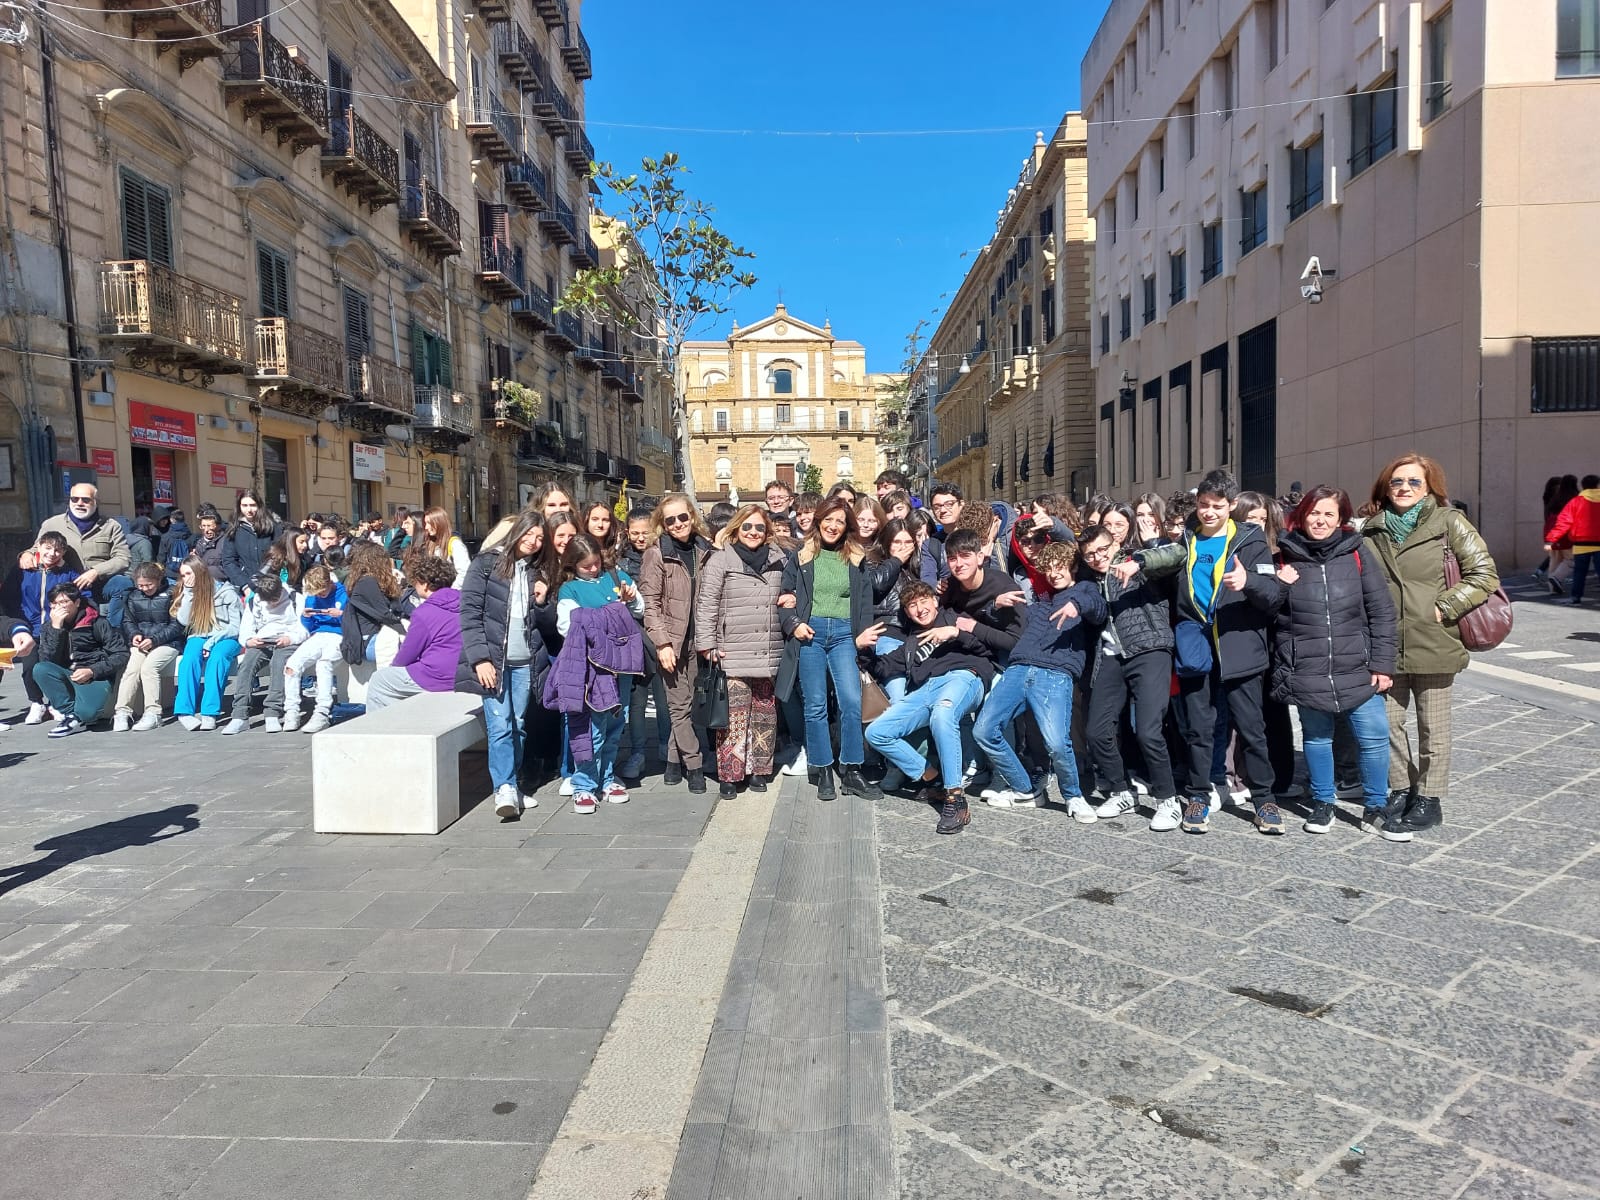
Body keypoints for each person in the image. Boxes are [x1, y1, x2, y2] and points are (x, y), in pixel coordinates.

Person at [1119, 469, 1287, 834]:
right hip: (1195, 643)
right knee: (1198, 728)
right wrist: (1140, 561)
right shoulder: (1186, 538)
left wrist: (1249, 582)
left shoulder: (1250, 540)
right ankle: (1198, 795)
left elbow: (1273, 597)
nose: (1209, 511)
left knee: (1252, 729)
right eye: (1204, 504)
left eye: (1217, 506)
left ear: (1231, 506)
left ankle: (1264, 800)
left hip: (1239, 645)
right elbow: (1165, 564)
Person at [1363, 453, 1500, 833]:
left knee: (1432, 728)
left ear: (1429, 487)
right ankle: (1402, 788)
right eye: (1397, 482)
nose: (1404, 488)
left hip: (1435, 639)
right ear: (1385, 487)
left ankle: (1429, 798)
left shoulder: (1449, 523)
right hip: (1385, 644)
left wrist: (1444, 607)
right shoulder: (1371, 529)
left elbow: (1484, 573)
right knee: (1386, 724)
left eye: (1413, 482)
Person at [1273, 486, 1404, 838]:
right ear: (1302, 515)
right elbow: (1271, 614)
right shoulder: (1284, 555)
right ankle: (1322, 802)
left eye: (1329, 514)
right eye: (1315, 512)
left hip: (1357, 668)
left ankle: (1376, 806)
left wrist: (1382, 665)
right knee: (1317, 738)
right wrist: (1278, 586)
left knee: (1374, 736)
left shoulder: (1357, 552)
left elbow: (1382, 612)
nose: (1321, 520)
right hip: (1308, 668)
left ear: (1341, 519)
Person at [973, 541, 1106, 819]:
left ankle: (1074, 796)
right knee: (984, 731)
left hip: (1055, 673)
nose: (1055, 573)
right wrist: (994, 607)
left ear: (1072, 568)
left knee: (1057, 743)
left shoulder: (1085, 590)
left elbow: (1097, 608)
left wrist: (1076, 605)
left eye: (1061, 567)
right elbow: (997, 624)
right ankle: (1026, 790)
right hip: (1019, 669)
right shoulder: (1037, 605)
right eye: (1049, 569)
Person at [776, 496, 892, 802]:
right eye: (828, 519)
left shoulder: (855, 557)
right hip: (810, 634)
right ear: (818, 521)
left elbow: (864, 600)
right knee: (815, 705)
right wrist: (794, 623)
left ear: (847, 526)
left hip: (844, 636)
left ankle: (852, 770)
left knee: (851, 702)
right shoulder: (801, 557)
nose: (833, 526)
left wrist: (863, 634)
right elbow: (784, 596)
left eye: (840, 521)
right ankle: (823, 768)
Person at [865, 581, 996, 833]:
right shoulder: (911, 643)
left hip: (962, 677)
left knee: (943, 714)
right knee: (877, 732)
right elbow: (882, 668)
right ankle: (932, 777)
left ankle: (955, 797)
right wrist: (863, 648)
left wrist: (956, 634)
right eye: (912, 605)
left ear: (935, 601)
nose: (920, 608)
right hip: (926, 689)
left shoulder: (955, 618)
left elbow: (987, 648)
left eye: (924, 601)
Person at [1077, 525, 1184, 831]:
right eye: (1090, 554)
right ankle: (1122, 791)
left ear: (1115, 543)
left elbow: (1178, 553)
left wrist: (1139, 563)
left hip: (1149, 649)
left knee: (1148, 731)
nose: (1098, 557)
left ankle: (1168, 800)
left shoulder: (1137, 561)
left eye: (1102, 549)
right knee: (1097, 730)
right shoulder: (1089, 580)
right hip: (1111, 657)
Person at [457, 511, 556, 819]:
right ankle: (504, 788)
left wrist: (542, 600)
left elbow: (545, 621)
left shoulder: (536, 571)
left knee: (519, 725)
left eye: (540, 538)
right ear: (517, 532)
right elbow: (470, 613)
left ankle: (512, 783)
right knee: (500, 725)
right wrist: (480, 659)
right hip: (495, 663)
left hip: (526, 661)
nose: (534, 542)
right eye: (530, 535)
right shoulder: (486, 563)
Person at [695, 503, 786, 798]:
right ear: (736, 528)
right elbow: (707, 604)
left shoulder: (780, 559)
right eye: (747, 526)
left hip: (768, 649)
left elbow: (791, 593)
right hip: (732, 650)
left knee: (764, 714)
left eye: (759, 527)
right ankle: (730, 775)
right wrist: (707, 644)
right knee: (732, 717)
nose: (753, 532)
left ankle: (759, 771)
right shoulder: (720, 560)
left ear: (767, 531)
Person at [553, 534, 644, 813]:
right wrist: (613, 612)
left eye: (595, 563)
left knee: (617, 724)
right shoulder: (569, 590)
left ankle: (606, 777)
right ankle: (584, 783)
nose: (593, 569)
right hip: (593, 669)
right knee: (592, 729)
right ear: (573, 565)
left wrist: (627, 601)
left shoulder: (616, 577)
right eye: (585, 566)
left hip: (621, 665)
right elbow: (567, 627)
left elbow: (639, 609)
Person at [639, 493, 714, 793]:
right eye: (670, 520)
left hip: (700, 640)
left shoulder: (705, 550)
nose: (678, 524)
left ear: (692, 517)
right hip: (671, 641)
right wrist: (661, 643)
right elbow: (650, 603)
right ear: (663, 524)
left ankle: (673, 761)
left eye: (682, 517)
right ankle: (694, 765)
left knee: (689, 704)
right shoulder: (656, 553)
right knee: (678, 705)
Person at [19, 483, 132, 626]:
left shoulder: (111, 526)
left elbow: (123, 558)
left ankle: (111, 630)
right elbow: (37, 548)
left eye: (85, 500)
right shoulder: (52, 523)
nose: (79, 503)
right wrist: (26, 554)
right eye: (74, 499)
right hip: (66, 582)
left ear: (96, 502)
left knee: (123, 584)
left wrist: (96, 571)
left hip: (100, 582)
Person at [365, 556, 462, 713]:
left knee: (380, 680)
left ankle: (380, 730)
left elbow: (408, 653)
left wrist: (393, 668)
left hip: (437, 677)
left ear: (424, 584)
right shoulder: (467, 602)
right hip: (464, 673)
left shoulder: (424, 612)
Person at [31, 583, 128, 737]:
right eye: (54, 603)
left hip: (93, 675)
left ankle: (79, 715)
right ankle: (71, 715)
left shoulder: (96, 622)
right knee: (40, 669)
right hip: (67, 672)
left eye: (64, 602)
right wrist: (57, 629)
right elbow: (46, 660)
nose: (59, 607)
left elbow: (121, 654)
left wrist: (92, 671)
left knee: (88, 714)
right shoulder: (49, 627)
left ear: (76, 602)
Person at [6, 532, 83, 724]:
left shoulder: (69, 573)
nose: (52, 553)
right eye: (48, 548)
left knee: (54, 665)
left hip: (57, 628)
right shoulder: (24, 569)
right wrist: (15, 621)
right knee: (29, 667)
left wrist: (66, 619)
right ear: (39, 547)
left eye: (57, 549)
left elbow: (81, 597)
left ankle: (55, 703)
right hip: (29, 628)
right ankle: (36, 703)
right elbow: (7, 596)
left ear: (63, 552)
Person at [223, 571, 305, 734]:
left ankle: (272, 712)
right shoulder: (255, 600)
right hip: (262, 640)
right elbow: (246, 627)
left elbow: (304, 627)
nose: (271, 605)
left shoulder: (295, 599)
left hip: (287, 639)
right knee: (247, 665)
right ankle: (239, 715)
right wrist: (248, 640)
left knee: (278, 662)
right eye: (268, 602)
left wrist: (290, 638)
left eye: (274, 601)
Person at [617, 511, 667, 776]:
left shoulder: (663, 557)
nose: (639, 537)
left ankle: (665, 746)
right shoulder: (621, 564)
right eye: (634, 533)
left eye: (644, 532)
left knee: (664, 698)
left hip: (659, 637)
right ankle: (637, 753)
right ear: (627, 533)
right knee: (636, 700)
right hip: (633, 639)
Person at [170, 555, 243, 732]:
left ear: (199, 572)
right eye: (183, 574)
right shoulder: (188, 592)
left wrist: (212, 642)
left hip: (226, 637)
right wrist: (187, 593)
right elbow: (184, 621)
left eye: (188, 574)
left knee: (217, 658)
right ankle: (184, 712)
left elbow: (236, 627)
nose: (185, 578)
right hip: (199, 635)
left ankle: (209, 712)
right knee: (189, 660)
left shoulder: (226, 592)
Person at [112, 561, 185, 731]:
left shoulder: (172, 593)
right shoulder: (133, 596)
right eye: (141, 585)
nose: (144, 588)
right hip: (142, 642)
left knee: (149, 668)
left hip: (168, 642)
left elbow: (177, 625)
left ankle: (153, 713)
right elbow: (128, 621)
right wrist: (134, 635)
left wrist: (154, 640)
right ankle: (122, 712)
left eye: (149, 585)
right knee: (132, 670)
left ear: (159, 580)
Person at [282, 564, 345, 734]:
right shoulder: (312, 597)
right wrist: (306, 616)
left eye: (322, 592)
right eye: (317, 593)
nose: (320, 596)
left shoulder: (344, 593)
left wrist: (341, 615)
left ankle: (322, 711)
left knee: (324, 663)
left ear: (329, 582)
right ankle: (292, 710)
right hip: (318, 635)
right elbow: (310, 627)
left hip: (340, 635)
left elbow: (352, 621)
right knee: (292, 665)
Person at [340, 542, 405, 668]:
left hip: (373, 638)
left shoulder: (367, 581)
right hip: (369, 642)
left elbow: (395, 609)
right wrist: (408, 633)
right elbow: (384, 614)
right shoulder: (367, 582)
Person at [1545, 474, 1600, 606]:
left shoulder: (1576, 502)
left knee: (1579, 573)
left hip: (1581, 544)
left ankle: (1576, 598)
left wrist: (1551, 540)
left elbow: (1563, 521)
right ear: (1597, 485)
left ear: (1583, 486)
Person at [219, 490, 283, 590]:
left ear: (259, 505)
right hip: (245, 585)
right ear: (239, 506)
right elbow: (228, 561)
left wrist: (263, 578)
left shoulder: (272, 525)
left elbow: (278, 553)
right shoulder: (234, 528)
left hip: (270, 584)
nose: (249, 509)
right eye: (244, 505)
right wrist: (244, 585)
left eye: (252, 505)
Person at [1545, 474, 1581, 594]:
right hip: (1567, 534)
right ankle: (1557, 578)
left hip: (1552, 534)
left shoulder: (1555, 498)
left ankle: (1552, 587)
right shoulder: (1575, 498)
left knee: (1555, 560)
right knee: (1571, 561)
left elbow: (1548, 516)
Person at [412, 506, 471, 578]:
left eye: (429, 523)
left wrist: (451, 589)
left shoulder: (455, 544)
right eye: (425, 523)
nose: (426, 527)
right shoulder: (430, 543)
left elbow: (464, 573)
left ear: (439, 523)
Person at [191, 511, 227, 579]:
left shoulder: (225, 542)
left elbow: (229, 568)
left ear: (218, 526)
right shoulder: (200, 543)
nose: (206, 530)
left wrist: (205, 570)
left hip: (219, 584)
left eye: (209, 526)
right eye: (203, 526)